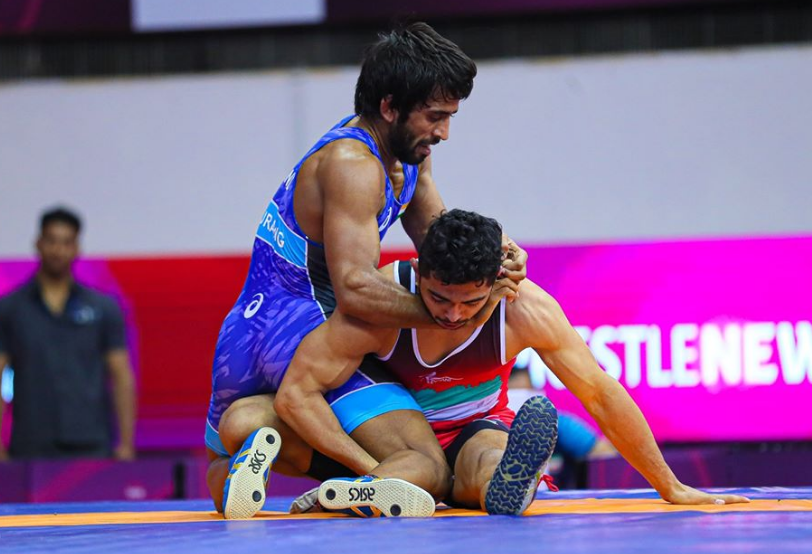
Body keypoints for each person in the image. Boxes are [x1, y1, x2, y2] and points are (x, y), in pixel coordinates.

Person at [205, 22, 528, 519]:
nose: (443, 133)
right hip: (305, 325)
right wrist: (461, 312)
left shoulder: (404, 155)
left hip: (243, 336)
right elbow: (355, 289)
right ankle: (361, 484)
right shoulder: (354, 163)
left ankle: (250, 445)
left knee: (228, 449)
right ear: (389, 105)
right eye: (435, 116)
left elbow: (441, 246)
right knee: (426, 465)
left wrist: (496, 257)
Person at [282, 209, 751, 515]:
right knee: (420, 465)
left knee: (492, 461)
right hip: (387, 429)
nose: (452, 314)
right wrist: (355, 461)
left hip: (473, 425)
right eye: (438, 298)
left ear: (499, 280)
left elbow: (599, 390)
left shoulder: (524, 309)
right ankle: (376, 485)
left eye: (470, 303)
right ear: (419, 271)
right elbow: (301, 388)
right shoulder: (382, 302)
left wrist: (669, 485)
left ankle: (504, 488)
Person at [0, 207, 136, 461]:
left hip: (91, 443)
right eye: (51, 241)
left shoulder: (102, 308)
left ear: (77, 248)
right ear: (38, 244)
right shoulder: (10, 308)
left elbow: (121, 375)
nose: (58, 250)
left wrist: (127, 443)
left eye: (66, 242)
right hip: (30, 443)